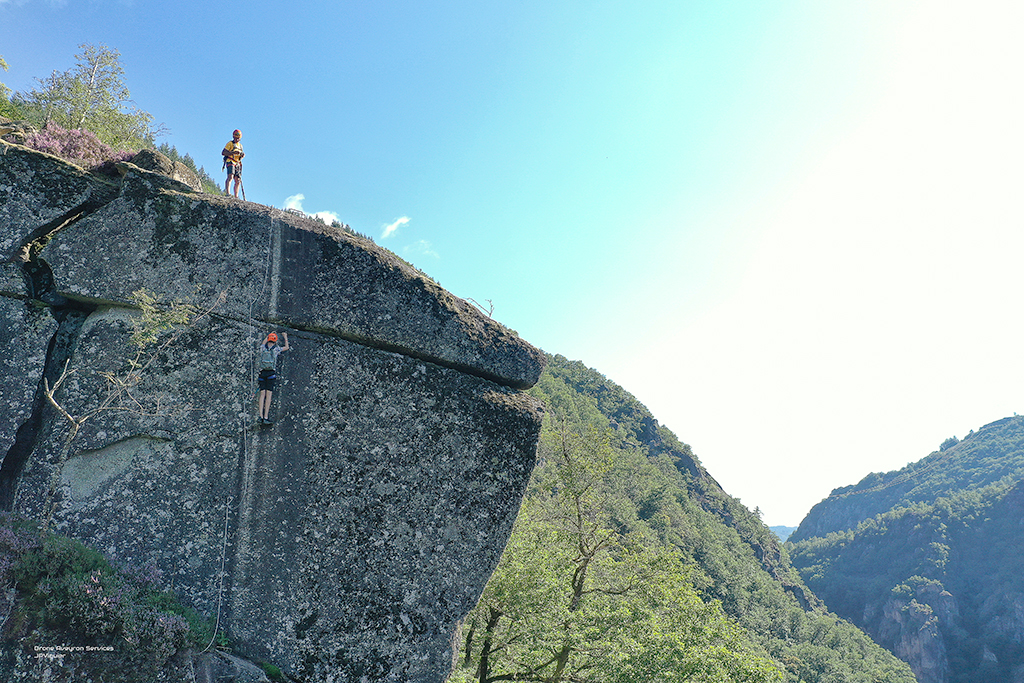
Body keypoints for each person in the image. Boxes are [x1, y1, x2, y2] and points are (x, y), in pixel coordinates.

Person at [257, 331, 289, 424]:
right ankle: (266, 417)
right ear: (275, 341)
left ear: (268, 340)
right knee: (269, 396)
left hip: (262, 373)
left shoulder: (263, 348)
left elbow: (263, 342)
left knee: (262, 395)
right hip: (271, 374)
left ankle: (260, 416)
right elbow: (286, 347)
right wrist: (285, 336)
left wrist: (268, 335)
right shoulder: (276, 349)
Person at [222, 129, 245, 197]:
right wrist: (232, 153)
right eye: (236, 138)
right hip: (230, 161)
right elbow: (223, 152)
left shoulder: (240, 146)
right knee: (230, 176)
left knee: (238, 180)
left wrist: (241, 156)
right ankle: (228, 193)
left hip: (237, 163)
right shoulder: (230, 144)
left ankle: (236, 195)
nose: (237, 139)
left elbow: (239, 157)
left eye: (238, 138)